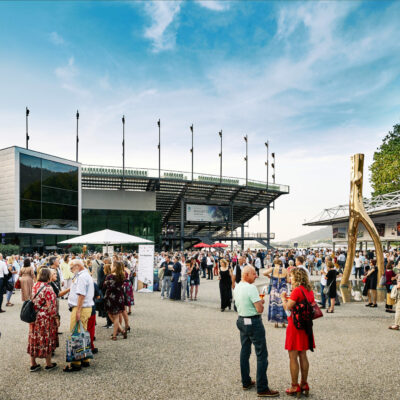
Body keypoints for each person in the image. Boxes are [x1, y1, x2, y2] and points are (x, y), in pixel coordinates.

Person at [234, 265, 279, 397]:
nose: (256, 276)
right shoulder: (251, 288)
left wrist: (258, 302)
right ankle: (262, 387)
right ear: (246, 275)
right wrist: (260, 303)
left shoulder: (237, 286)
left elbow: (243, 303)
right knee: (261, 355)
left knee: (245, 351)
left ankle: (246, 381)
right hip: (253, 322)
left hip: (242, 320)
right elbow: (259, 310)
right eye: (254, 274)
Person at [281, 268, 315, 397]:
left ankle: (294, 386)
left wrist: (283, 298)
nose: (290, 279)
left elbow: (288, 307)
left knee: (293, 356)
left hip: (295, 326)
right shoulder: (309, 291)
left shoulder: (296, 290)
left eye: (291, 277)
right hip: (306, 326)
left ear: (297, 278)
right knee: (303, 355)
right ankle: (304, 383)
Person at [64, 259, 95, 372]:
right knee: (83, 332)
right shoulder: (86, 275)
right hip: (86, 307)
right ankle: (84, 358)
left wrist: (78, 311)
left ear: (77, 266)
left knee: (76, 333)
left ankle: (76, 362)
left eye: (71, 268)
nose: (71, 271)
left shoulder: (81, 277)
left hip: (80, 307)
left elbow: (81, 295)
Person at [27, 268, 58, 372]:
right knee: (46, 338)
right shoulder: (48, 288)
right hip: (45, 318)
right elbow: (52, 307)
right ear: (48, 276)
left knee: (34, 338)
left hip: (34, 317)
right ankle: (48, 364)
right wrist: (56, 317)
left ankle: (33, 363)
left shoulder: (35, 285)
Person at [103, 260, 127, 341]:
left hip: (110, 297)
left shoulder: (109, 276)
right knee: (116, 316)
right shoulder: (122, 276)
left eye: (112, 265)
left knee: (111, 315)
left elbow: (105, 285)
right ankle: (120, 331)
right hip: (119, 297)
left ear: (115, 267)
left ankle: (116, 334)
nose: (110, 266)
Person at [264, 258, 288, 328]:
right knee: (283, 303)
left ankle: (276, 322)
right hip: (283, 288)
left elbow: (264, 273)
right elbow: (288, 280)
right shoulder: (285, 270)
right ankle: (283, 322)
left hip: (274, 288)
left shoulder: (273, 268)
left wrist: (269, 276)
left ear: (275, 263)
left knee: (274, 304)